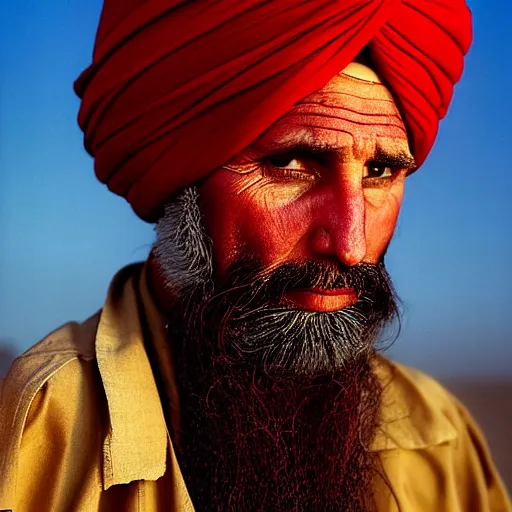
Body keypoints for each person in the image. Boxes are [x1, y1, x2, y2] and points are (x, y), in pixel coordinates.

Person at [0, 1, 510, 511]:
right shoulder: (40, 431)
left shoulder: (441, 441)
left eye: (379, 173)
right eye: (292, 164)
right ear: (184, 180)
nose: (351, 245)